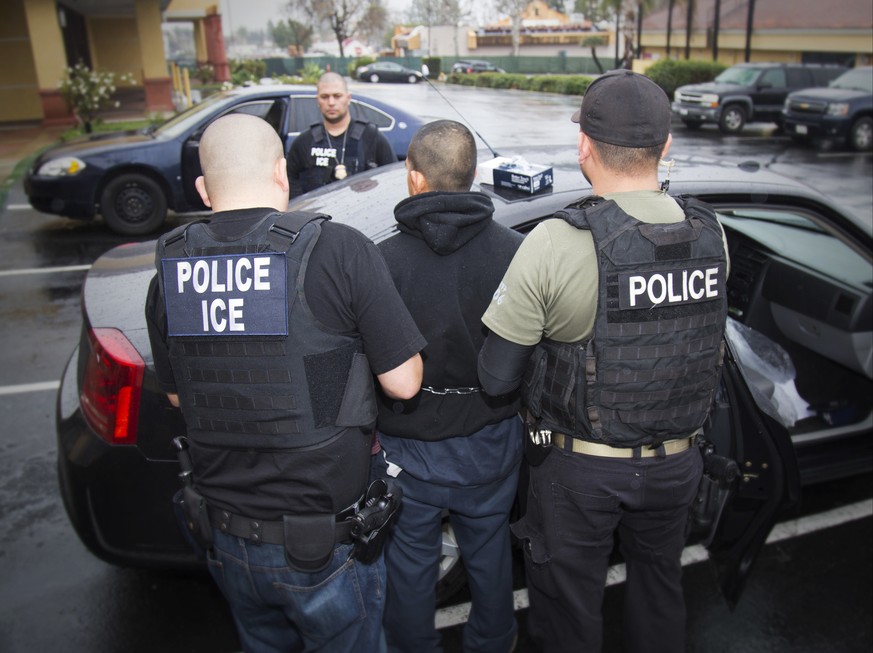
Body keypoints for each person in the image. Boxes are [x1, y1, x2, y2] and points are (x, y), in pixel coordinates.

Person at [145, 113, 426, 653]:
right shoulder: (337, 250)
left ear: (203, 189)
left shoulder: (173, 272)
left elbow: (181, 396)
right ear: (283, 173)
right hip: (321, 543)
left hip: (225, 534)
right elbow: (405, 383)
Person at [477, 70, 730, 653]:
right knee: (661, 590)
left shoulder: (555, 241)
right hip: (678, 463)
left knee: (568, 612)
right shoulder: (711, 233)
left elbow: (495, 376)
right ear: (666, 147)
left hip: (580, 474)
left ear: (584, 146)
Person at [373, 120, 525, 653]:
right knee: (488, 552)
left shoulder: (381, 262)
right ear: (471, 176)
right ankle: (495, 641)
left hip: (407, 447)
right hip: (490, 439)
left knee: (410, 563)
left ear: (414, 179)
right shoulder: (516, 252)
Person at [287, 72, 397, 197]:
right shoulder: (305, 141)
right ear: (318, 100)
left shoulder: (371, 136)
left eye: (337, 96)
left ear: (348, 98)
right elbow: (290, 180)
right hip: (317, 214)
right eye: (325, 97)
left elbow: (391, 177)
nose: (331, 102)